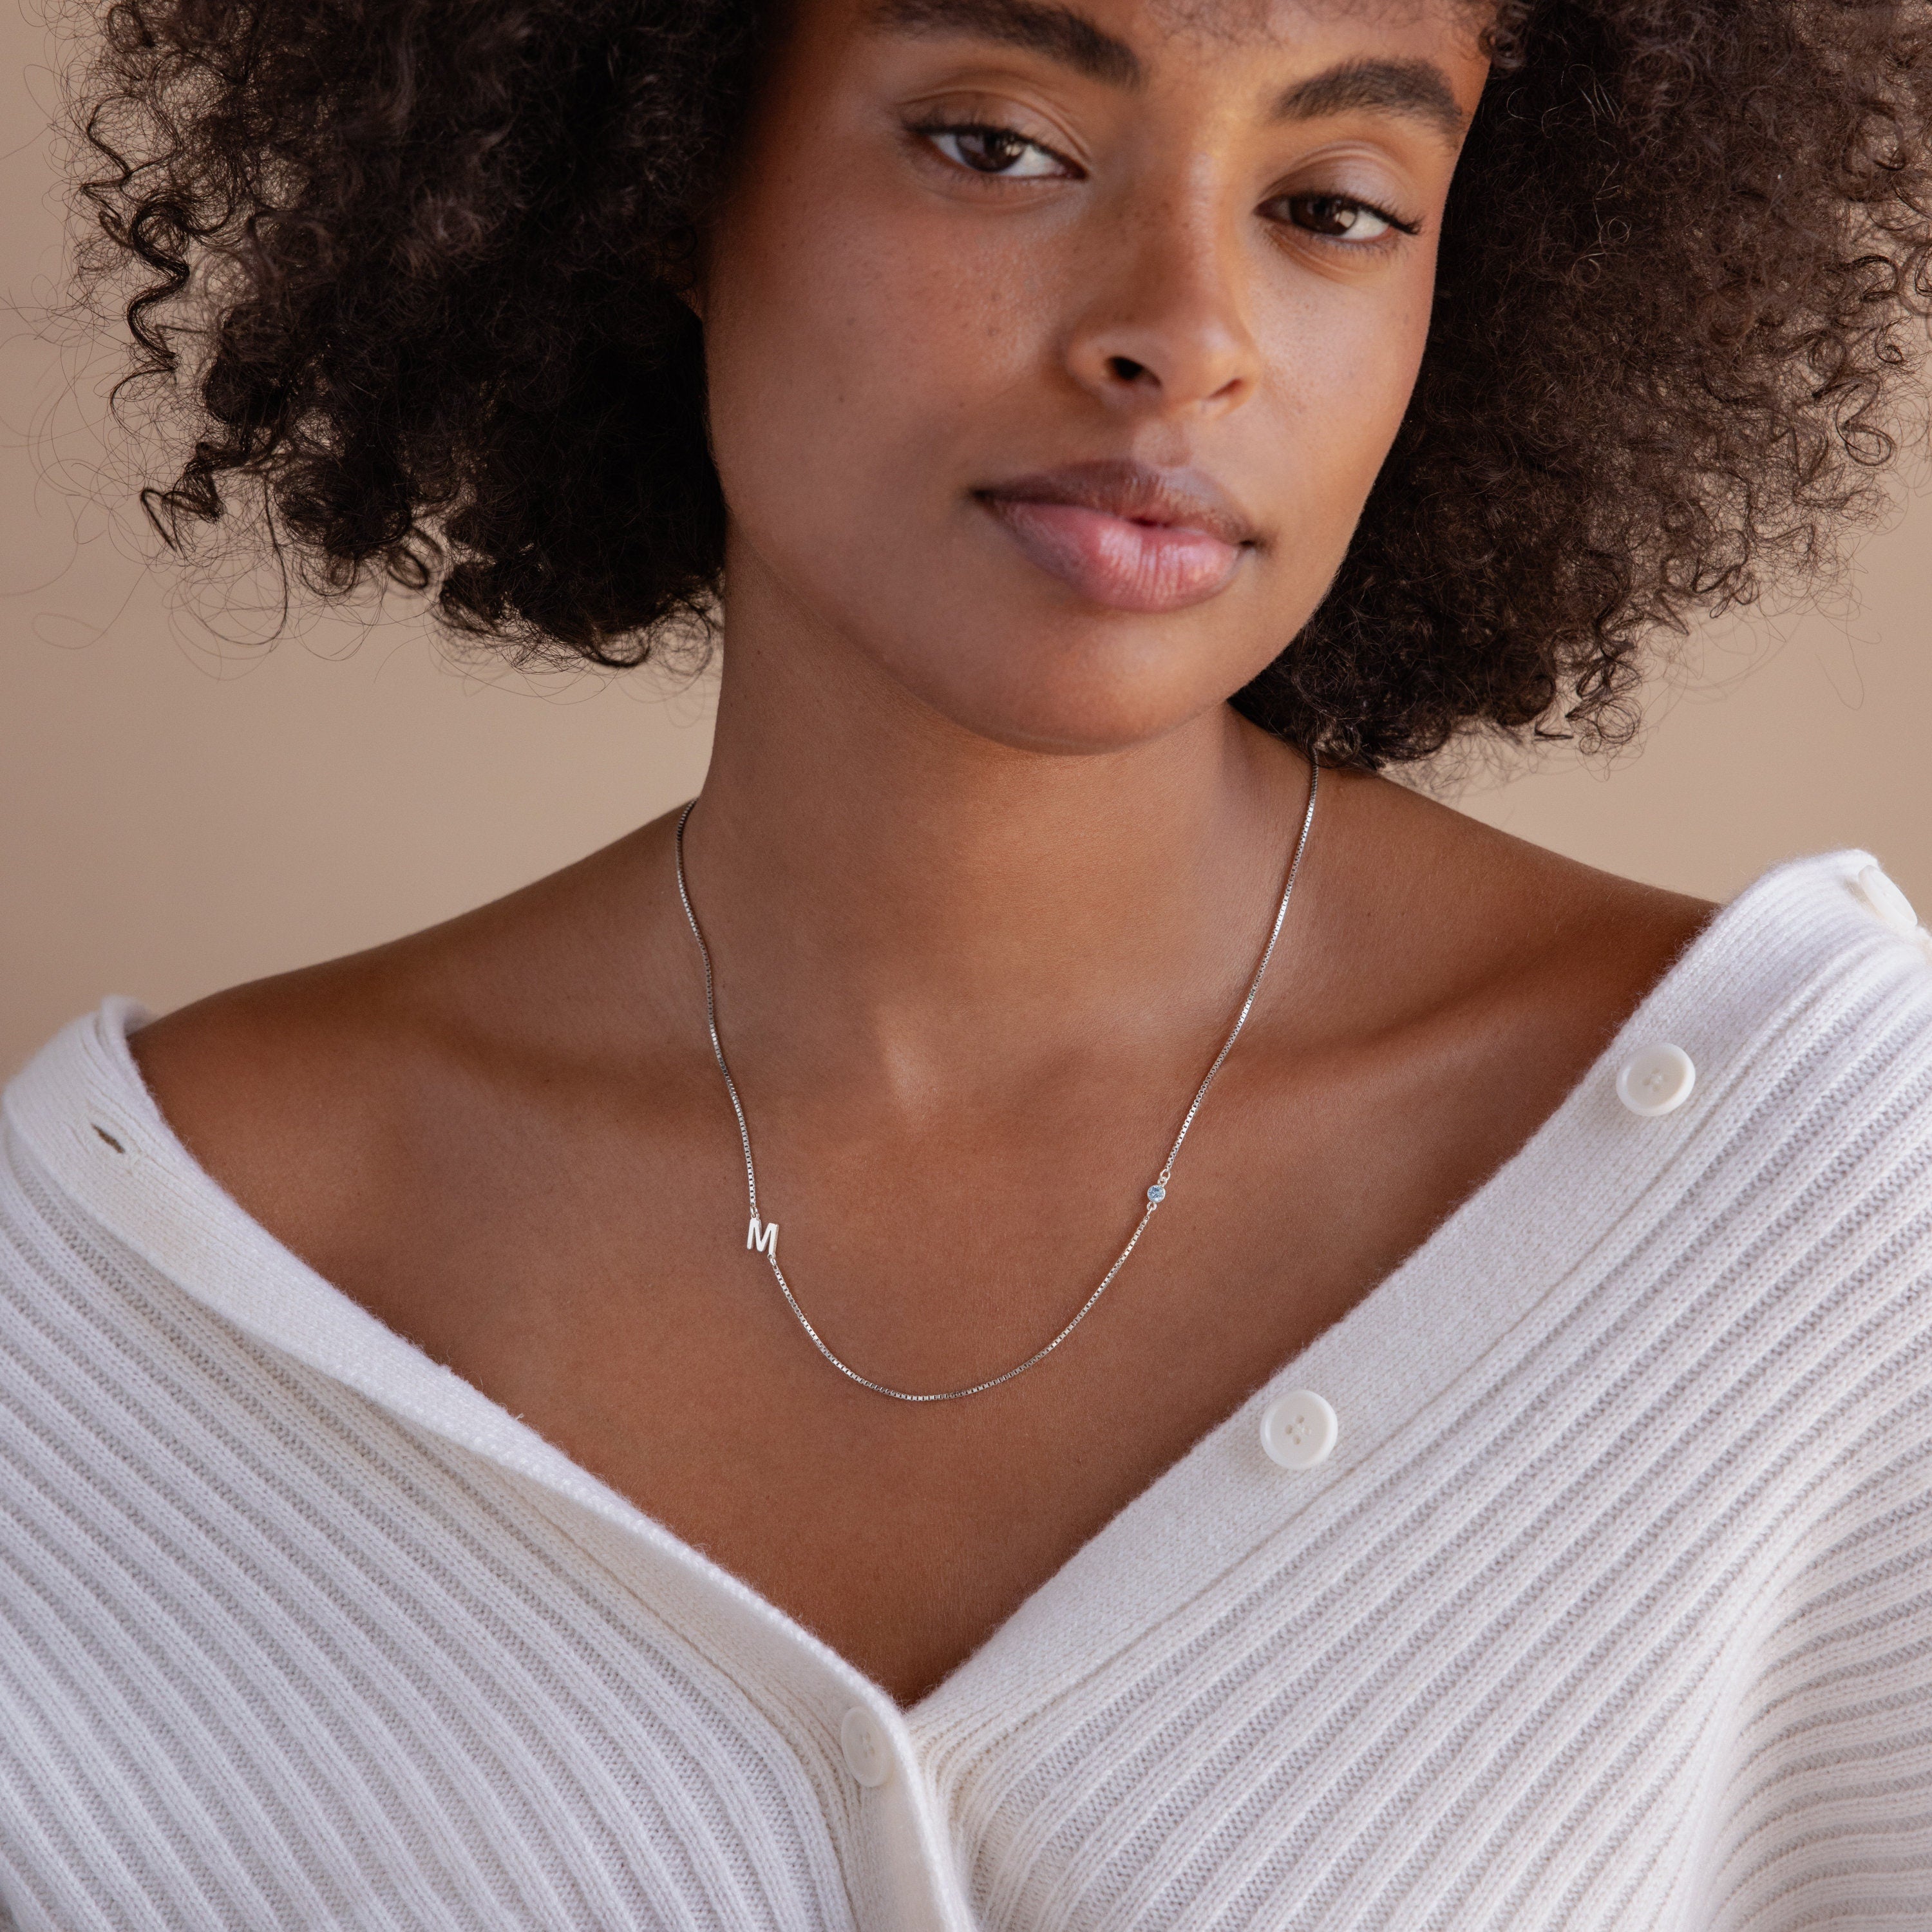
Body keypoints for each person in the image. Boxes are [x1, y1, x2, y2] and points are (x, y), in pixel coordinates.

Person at [4, 0, 1931, 1923]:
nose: (1184, 335)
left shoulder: (1826, 1197)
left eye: (1336, 205)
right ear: (670, 166)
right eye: (1001, 144)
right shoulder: (112, 1308)